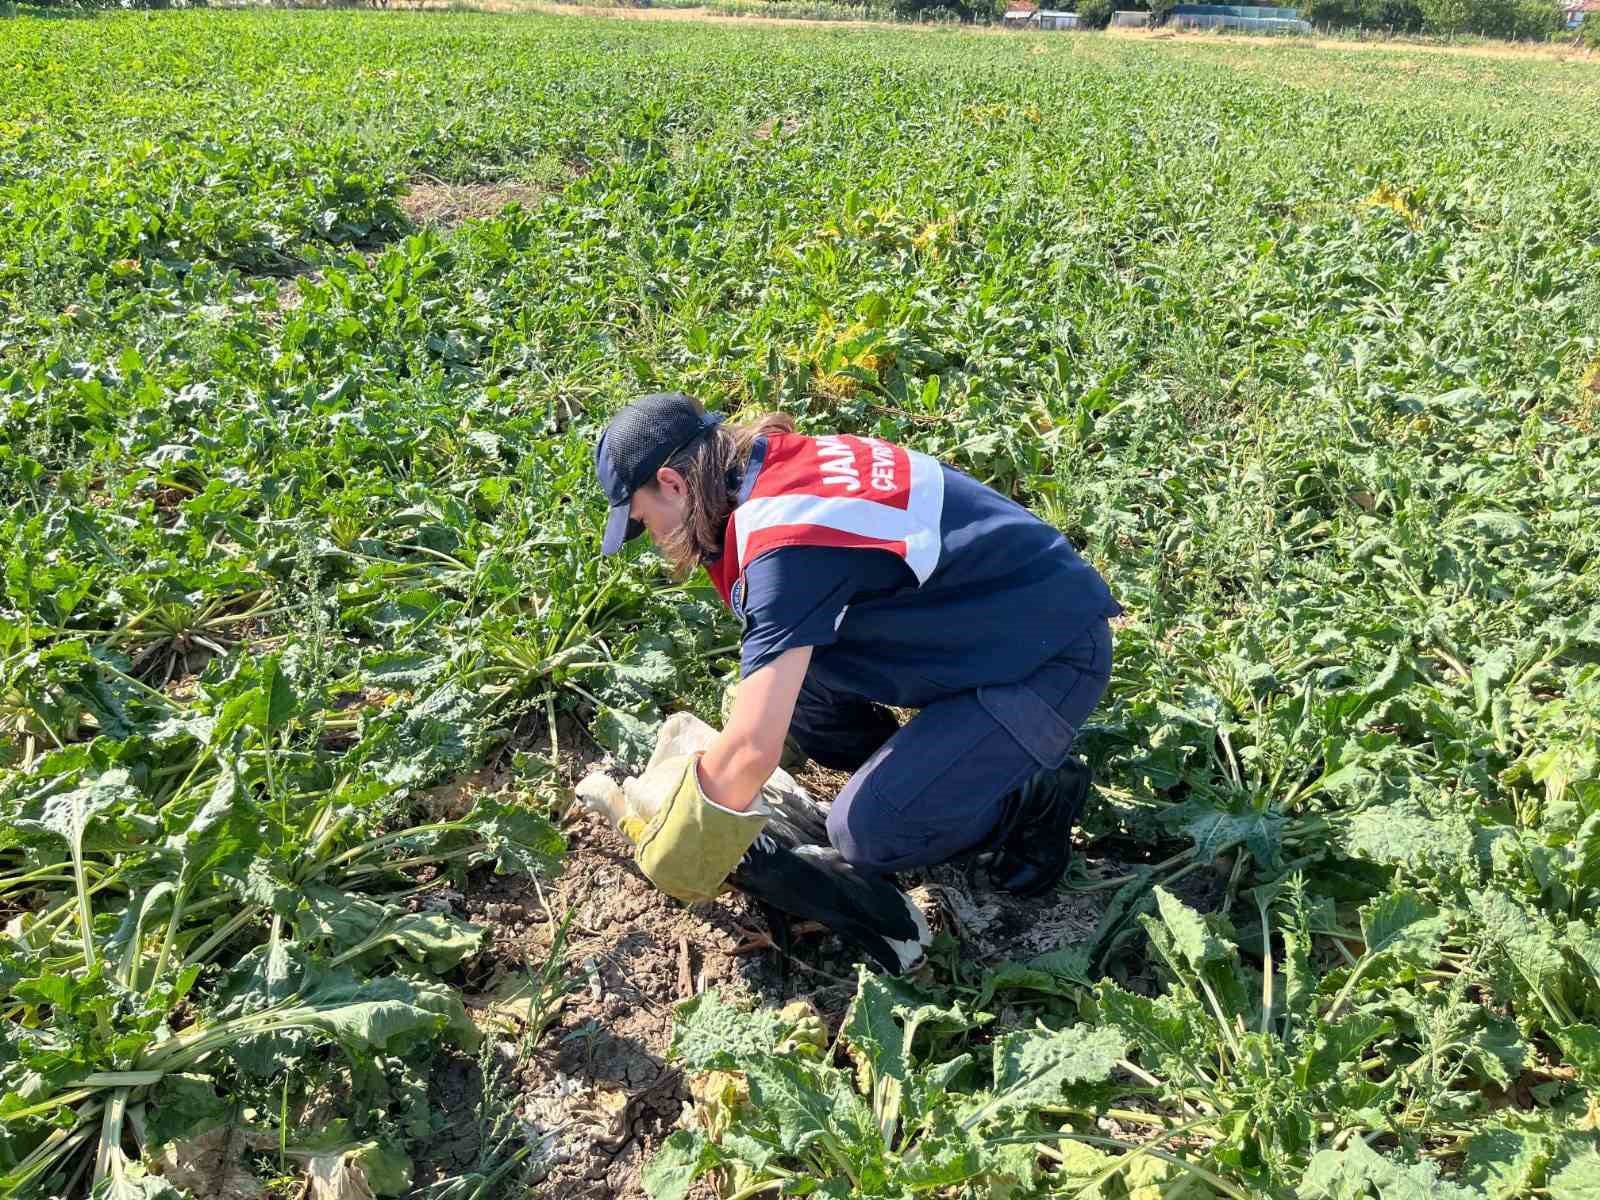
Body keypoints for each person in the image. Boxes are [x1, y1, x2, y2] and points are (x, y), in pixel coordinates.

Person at [593, 391, 1120, 902]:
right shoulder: (773, 465)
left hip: (1053, 656)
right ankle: (942, 771)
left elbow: (751, 749)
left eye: (643, 520)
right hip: (991, 619)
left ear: (673, 483)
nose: (656, 539)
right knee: (800, 695)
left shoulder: (784, 542)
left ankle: (1031, 795)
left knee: (868, 834)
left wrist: (675, 848)